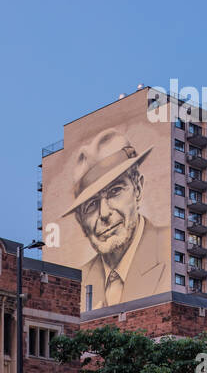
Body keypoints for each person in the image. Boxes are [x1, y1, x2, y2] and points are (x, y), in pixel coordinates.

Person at [61, 128, 170, 309]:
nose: (104, 213)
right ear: (80, 221)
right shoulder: (77, 282)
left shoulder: (171, 251)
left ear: (138, 189)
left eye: (115, 191)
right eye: (91, 205)